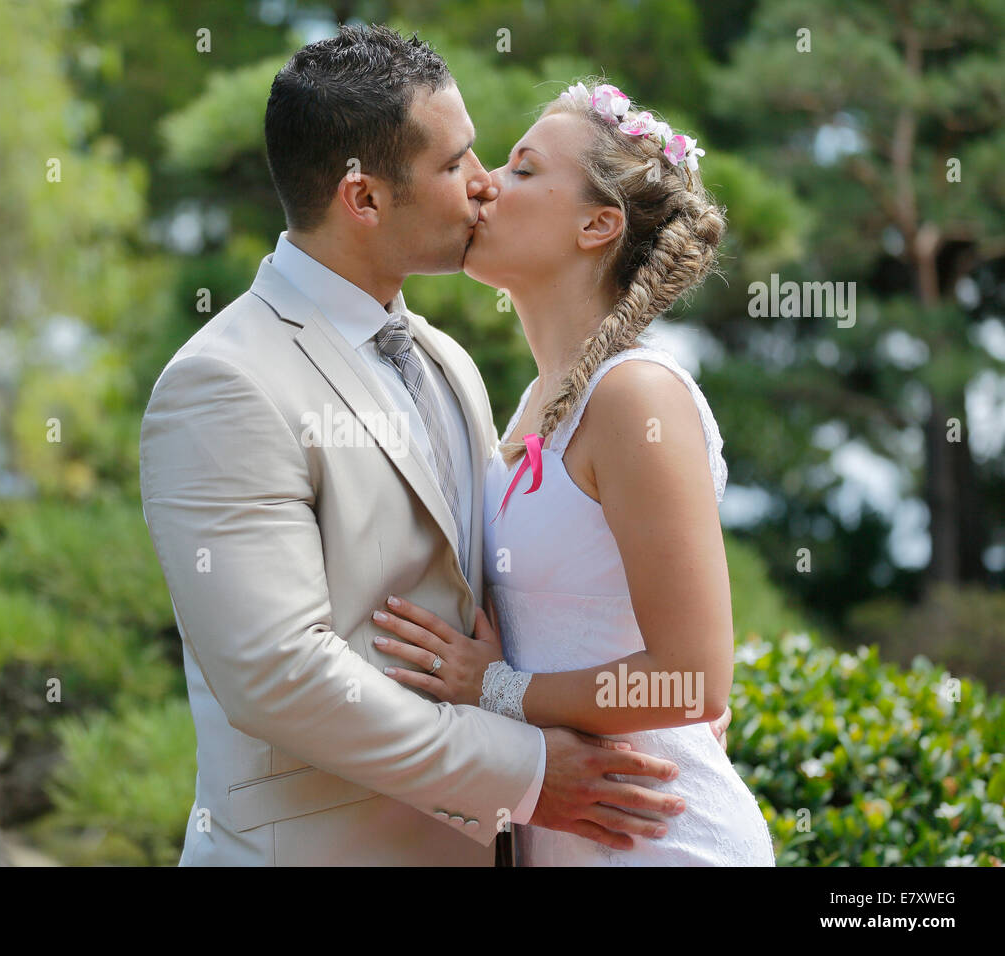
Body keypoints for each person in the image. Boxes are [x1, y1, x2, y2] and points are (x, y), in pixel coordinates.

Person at [140, 25, 731, 866]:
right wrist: (527, 770)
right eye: (455, 166)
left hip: (605, 826)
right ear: (365, 199)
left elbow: (653, 652)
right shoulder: (226, 382)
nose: (481, 187)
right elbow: (278, 677)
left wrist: (579, 696)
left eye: (503, 164)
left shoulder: (451, 366)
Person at [373, 80, 775, 865]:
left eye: (523, 170)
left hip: (663, 841)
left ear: (599, 224)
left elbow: (692, 681)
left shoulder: (636, 397)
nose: (484, 182)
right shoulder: (528, 404)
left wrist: (496, 689)